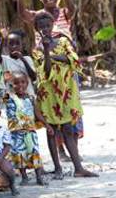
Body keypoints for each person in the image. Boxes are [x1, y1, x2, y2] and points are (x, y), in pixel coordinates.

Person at [16, 0, 83, 159]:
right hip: (47, 68)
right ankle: (60, 150)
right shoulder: (38, 16)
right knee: (53, 106)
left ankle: (74, 151)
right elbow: (21, 12)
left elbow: (73, 9)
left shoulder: (64, 13)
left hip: (67, 68)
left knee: (70, 105)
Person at [33, 12, 98, 179]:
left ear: (53, 24)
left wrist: (54, 56)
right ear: (37, 30)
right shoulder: (37, 50)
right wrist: (48, 52)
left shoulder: (63, 40)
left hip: (67, 91)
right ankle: (58, 168)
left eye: (47, 26)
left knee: (69, 129)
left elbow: (74, 60)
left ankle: (78, 168)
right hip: (49, 94)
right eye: (41, 27)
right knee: (51, 131)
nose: (45, 29)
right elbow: (46, 72)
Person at [5, 72, 51, 186]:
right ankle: (24, 177)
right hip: (16, 133)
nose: (20, 85)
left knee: (34, 153)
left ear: (27, 83)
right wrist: (5, 81)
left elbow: (37, 113)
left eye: (23, 82)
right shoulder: (9, 97)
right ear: (12, 84)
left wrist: (46, 125)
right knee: (19, 155)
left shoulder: (31, 98)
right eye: (16, 83)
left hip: (30, 132)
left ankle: (39, 177)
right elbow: (1, 91)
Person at [2, 31, 37, 97]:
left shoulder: (27, 59)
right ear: (6, 46)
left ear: (22, 45)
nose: (14, 46)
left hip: (28, 95)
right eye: (11, 44)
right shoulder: (4, 59)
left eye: (17, 43)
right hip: (9, 96)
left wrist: (23, 60)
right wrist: (2, 40)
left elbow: (34, 77)